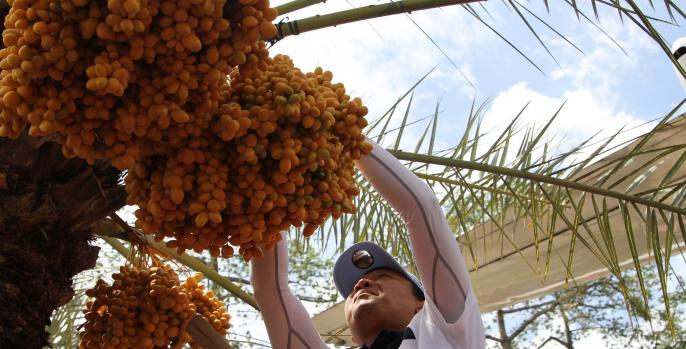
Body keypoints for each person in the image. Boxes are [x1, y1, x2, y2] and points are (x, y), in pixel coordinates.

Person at [250, 138, 485, 348]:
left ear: (421, 306)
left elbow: (423, 208)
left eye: (382, 277)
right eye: (356, 288)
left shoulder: (448, 330)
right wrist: (265, 185)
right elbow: (272, 291)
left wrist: (343, 132)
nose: (361, 283)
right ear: (354, 338)